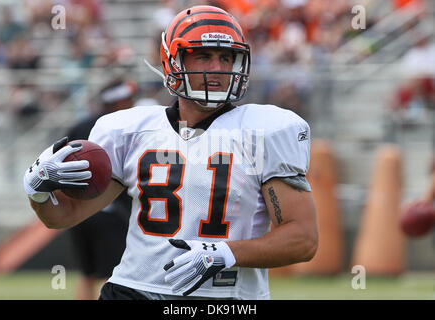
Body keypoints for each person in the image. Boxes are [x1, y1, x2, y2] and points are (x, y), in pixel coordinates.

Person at [23, 5, 318, 300]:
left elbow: (303, 239)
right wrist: (37, 191)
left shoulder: (266, 130)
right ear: (172, 62)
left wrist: (227, 253)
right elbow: (64, 216)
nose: (217, 68)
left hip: (225, 299)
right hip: (132, 291)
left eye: (226, 58)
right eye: (203, 56)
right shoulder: (129, 130)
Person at [65, 79, 137, 299]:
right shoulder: (123, 128)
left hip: (77, 213)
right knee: (110, 276)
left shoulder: (78, 127)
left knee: (87, 274)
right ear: (118, 101)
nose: (132, 105)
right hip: (109, 211)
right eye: (128, 100)